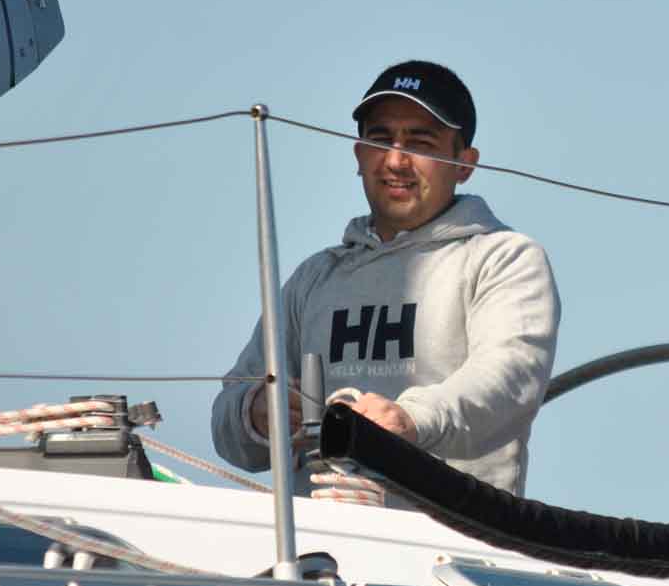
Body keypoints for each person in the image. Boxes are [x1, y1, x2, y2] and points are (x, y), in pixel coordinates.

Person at [210, 61, 560, 496]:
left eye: (420, 142)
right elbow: (227, 422)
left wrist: (410, 419)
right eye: (380, 140)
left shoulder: (504, 259)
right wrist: (256, 413)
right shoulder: (315, 278)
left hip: (445, 534)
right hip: (317, 536)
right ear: (359, 155)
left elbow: (509, 382)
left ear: (464, 163)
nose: (396, 161)